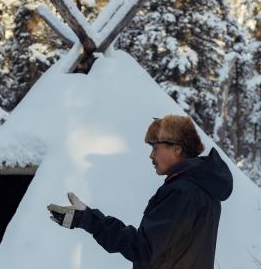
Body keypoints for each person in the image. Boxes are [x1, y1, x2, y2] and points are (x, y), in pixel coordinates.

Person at [47, 114, 233, 269]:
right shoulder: (203, 188)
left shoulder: (183, 192)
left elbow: (143, 248)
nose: (151, 155)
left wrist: (89, 220)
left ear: (176, 149)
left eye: (155, 147)